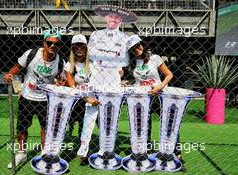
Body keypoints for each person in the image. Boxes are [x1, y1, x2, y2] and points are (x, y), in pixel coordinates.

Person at [77, 5, 137, 161]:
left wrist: (113, 64)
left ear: (121, 20)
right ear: (105, 18)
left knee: (110, 116)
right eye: (110, 16)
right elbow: (92, 56)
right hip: (96, 79)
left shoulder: (125, 38)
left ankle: (106, 149)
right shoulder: (96, 34)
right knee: (90, 115)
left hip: (113, 82)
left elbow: (123, 62)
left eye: (116, 17)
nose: (113, 19)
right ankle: (83, 149)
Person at [4, 30, 64, 168]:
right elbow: (17, 67)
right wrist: (9, 74)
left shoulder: (60, 60)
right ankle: (21, 153)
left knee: (45, 128)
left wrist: (61, 82)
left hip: (45, 100)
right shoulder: (32, 53)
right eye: (49, 43)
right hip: (27, 97)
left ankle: (44, 153)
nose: (52, 46)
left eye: (56, 44)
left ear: (59, 45)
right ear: (44, 43)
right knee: (22, 127)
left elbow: (61, 78)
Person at [127, 35, 186, 161]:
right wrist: (126, 83)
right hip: (142, 99)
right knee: (144, 125)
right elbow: (136, 80)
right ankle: (145, 152)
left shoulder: (154, 58)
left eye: (138, 45)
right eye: (133, 48)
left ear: (142, 44)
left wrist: (160, 86)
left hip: (160, 96)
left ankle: (177, 153)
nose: (137, 49)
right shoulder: (132, 62)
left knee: (168, 123)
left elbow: (169, 75)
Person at [65, 34, 100, 139]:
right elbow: (72, 87)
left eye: (82, 46)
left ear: (86, 48)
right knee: (83, 125)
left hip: (96, 98)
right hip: (80, 100)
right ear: (72, 48)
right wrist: (86, 98)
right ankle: (83, 148)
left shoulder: (94, 62)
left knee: (102, 124)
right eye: (76, 46)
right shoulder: (70, 65)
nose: (79, 49)